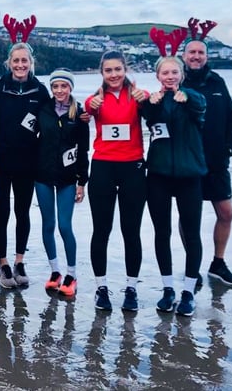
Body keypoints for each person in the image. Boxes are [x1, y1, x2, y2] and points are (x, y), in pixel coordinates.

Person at [142, 55, 207, 317]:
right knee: (162, 232)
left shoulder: (191, 97)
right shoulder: (154, 101)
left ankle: (188, 292)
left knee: (192, 233)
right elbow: (147, 115)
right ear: (158, 76)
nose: (170, 77)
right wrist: (151, 102)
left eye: (174, 72)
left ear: (181, 74)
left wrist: (188, 97)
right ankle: (168, 289)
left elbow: (201, 106)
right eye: (165, 73)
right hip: (158, 174)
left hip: (189, 175)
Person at [85, 51, 149, 311]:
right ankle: (101, 288)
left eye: (117, 69)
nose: (113, 75)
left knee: (131, 231)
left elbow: (157, 115)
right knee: (101, 230)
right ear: (102, 73)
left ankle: (131, 288)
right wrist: (90, 107)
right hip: (103, 167)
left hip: (133, 167)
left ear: (125, 70)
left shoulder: (139, 96)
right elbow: (83, 112)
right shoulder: (95, 100)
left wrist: (149, 101)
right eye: (108, 70)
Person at [182, 20, 232, 288]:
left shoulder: (217, 81)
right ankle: (191, 266)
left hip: (217, 161)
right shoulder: (176, 81)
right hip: (188, 162)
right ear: (184, 56)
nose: (196, 56)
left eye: (201, 53)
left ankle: (218, 263)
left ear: (206, 56)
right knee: (189, 218)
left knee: (226, 213)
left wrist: (229, 147)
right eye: (192, 52)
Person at [0, 37, 50, 288]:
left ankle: (19, 262)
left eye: (25, 60)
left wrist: (80, 115)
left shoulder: (40, 91)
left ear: (31, 62)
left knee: (22, 212)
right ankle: (3, 264)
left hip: (27, 162)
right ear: (9, 62)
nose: (20, 65)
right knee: (1, 212)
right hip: (0, 162)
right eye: (16, 60)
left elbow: (53, 119)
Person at [35, 68, 89, 297]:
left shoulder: (80, 115)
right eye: (55, 86)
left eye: (64, 86)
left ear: (70, 88)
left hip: (67, 178)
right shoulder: (43, 109)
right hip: (43, 175)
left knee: (65, 226)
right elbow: (29, 137)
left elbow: (84, 151)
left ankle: (71, 274)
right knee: (48, 225)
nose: (59, 90)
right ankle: (55, 271)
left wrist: (82, 182)